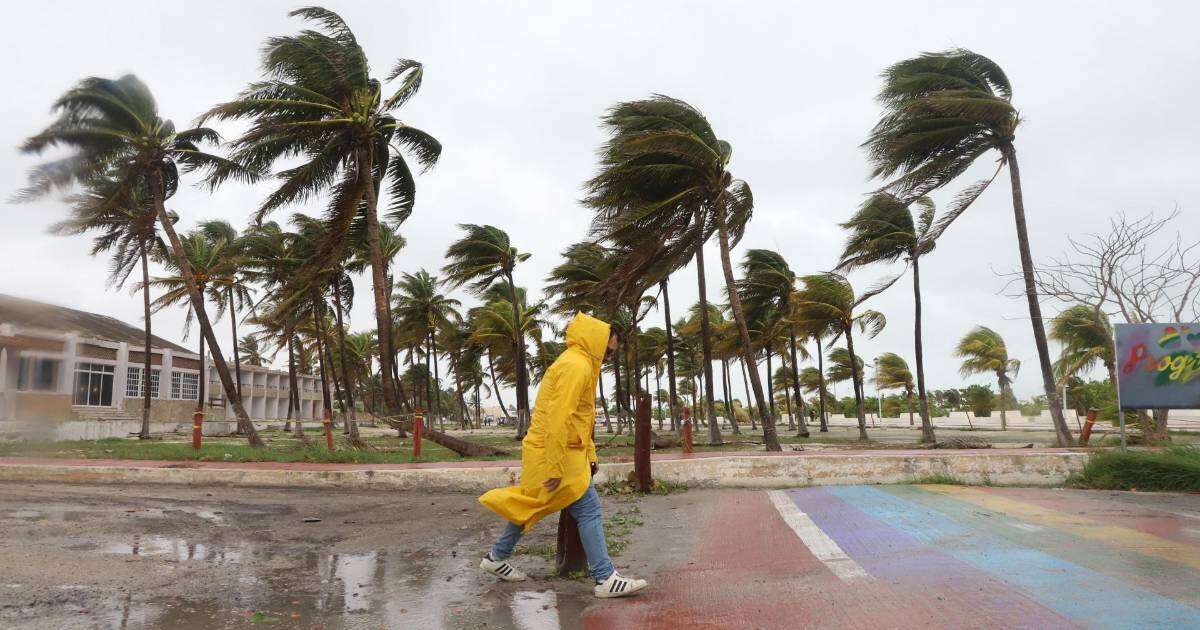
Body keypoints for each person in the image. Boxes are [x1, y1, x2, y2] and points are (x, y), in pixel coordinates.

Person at [478, 312, 649, 599]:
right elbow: (559, 419)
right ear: (597, 342)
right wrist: (556, 467)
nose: (608, 358)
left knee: (531, 505)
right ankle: (605, 577)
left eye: (612, 354)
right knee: (588, 509)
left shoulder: (579, 364)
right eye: (608, 351)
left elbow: (582, 418)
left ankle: (496, 558)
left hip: (559, 451)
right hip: (554, 454)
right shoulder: (577, 367)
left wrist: (591, 454)